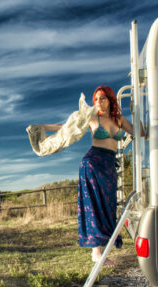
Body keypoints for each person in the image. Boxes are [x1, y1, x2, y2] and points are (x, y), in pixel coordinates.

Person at [28, 86, 133, 267]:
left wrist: (137, 113)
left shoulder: (119, 119)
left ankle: (103, 248)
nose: (99, 102)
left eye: (102, 98)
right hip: (92, 163)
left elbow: (136, 131)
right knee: (94, 205)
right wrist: (43, 127)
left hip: (109, 165)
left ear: (110, 99)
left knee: (108, 204)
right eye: (96, 99)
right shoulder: (93, 117)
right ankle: (97, 253)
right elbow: (67, 127)